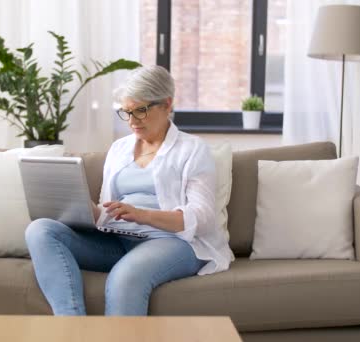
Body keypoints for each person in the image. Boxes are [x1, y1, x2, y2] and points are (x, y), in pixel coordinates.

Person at [24, 65, 235, 316]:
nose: (132, 121)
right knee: (40, 230)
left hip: (172, 242)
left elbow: (202, 218)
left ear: (167, 105)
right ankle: (72, 328)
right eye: (126, 112)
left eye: (141, 111)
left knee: (125, 276)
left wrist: (141, 214)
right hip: (117, 238)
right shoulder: (119, 149)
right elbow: (107, 209)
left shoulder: (192, 149)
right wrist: (84, 209)